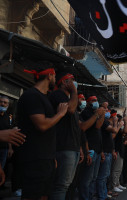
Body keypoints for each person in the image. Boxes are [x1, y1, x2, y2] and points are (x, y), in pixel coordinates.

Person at [18, 63, 68, 200]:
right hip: (35, 158)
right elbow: (42, 125)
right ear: (50, 75)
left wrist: (51, 157)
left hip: (46, 158)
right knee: (33, 195)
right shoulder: (32, 96)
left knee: (44, 195)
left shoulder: (44, 97)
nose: (55, 79)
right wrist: (60, 114)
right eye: (54, 76)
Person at [49, 72, 80, 200]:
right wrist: (74, 91)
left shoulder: (68, 98)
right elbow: (71, 109)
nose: (74, 83)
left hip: (72, 148)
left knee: (66, 185)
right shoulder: (58, 95)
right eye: (71, 80)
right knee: (61, 186)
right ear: (63, 82)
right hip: (63, 147)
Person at [78, 96, 105, 200]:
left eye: (97, 100)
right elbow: (84, 129)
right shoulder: (86, 113)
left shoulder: (96, 113)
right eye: (93, 101)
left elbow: (98, 127)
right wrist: (87, 150)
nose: (96, 102)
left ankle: (90, 196)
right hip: (90, 149)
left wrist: (101, 114)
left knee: (93, 177)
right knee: (86, 179)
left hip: (97, 150)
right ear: (88, 102)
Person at [96, 106, 119, 200]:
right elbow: (114, 130)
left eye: (108, 110)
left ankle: (104, 194)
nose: (107, 111)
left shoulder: (106, 122)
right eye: (105, 110)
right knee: (102, 176)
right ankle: (101, 196)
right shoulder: (104, 122)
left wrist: (112, 150)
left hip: (108, 151)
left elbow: (111, 137)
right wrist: (117, 123)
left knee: (105, 175)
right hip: (104, 152)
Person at [0, 95, 11, 171]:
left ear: (8, 105)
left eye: (5, 102)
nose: (3, 104)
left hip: (4, 149)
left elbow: (9, 133)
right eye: (1, 102)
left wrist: (10, 148)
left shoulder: (8, 117)